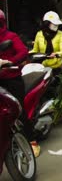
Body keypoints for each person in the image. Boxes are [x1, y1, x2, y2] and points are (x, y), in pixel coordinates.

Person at [0, 9, 41, 157]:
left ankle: (32, 140)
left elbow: (23, 52)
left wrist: (9, 62)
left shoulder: (11, 36)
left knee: (19, 110)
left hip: (11, 78)